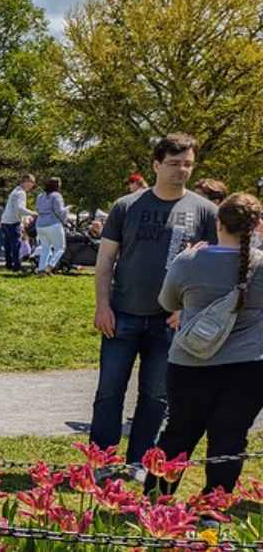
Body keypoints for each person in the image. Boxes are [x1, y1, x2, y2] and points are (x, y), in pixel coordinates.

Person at [91, 134, 218, 479]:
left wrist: (188, 310)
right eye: (174, 164)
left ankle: (138, 463)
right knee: (109, 392)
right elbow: (105, 262)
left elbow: (215, 269)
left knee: (156, 396)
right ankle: (101, 462)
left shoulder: (205, 212)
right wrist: (102, 306)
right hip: (123, 315)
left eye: (188, 164)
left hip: (170, 320)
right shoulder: (126, 206)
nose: (181, 171)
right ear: (156, 164)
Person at [145, 193, 263, 497]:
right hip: (248, 364)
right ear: (257, 225)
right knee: (230, 437)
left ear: (218, 222)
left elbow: (166, 302)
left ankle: (156, 497)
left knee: (178, 432)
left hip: (190, 363)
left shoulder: (190, 260)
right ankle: (214, 504)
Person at [0, 175, 37, 272]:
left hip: (5, 221)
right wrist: (33, 213)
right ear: (26, 182)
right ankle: (16, 266)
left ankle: (8, 264)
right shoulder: (21, 193)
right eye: (32, 183)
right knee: (15, 245)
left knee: (7, 245)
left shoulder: (14, 191)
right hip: (13, 222)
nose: (32, 186)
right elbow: (20, 209)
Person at [35, 177, 70, 275]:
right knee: (60, 248)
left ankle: (41, 269)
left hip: (40, 224)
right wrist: (67, 209)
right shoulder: (57, 196)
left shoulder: (40, 196)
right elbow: (59, 211)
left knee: (45, 248)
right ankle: (50, 266)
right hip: (53, 224)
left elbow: (37, 209)